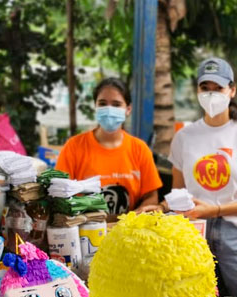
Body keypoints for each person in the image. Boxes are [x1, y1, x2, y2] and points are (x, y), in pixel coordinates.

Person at [148, 58, 237, 297]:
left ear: (232, 90)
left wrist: (215, 209)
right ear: (197, 91)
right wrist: (162, 207)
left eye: (218, 88)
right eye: (205, 88)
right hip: (193, 232)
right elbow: (177, 194)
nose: (211, 94)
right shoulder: (184, 137)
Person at [56, 77, 162, 217]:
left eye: (116, 104)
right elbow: (59, 193)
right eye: (103, 103)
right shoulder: (74, 147)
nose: (109, 110)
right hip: (85, 230)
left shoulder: (140, 149)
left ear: (128, 109)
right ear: (96, 106)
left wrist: (137, 215)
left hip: (127, 232)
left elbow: (151, 196)